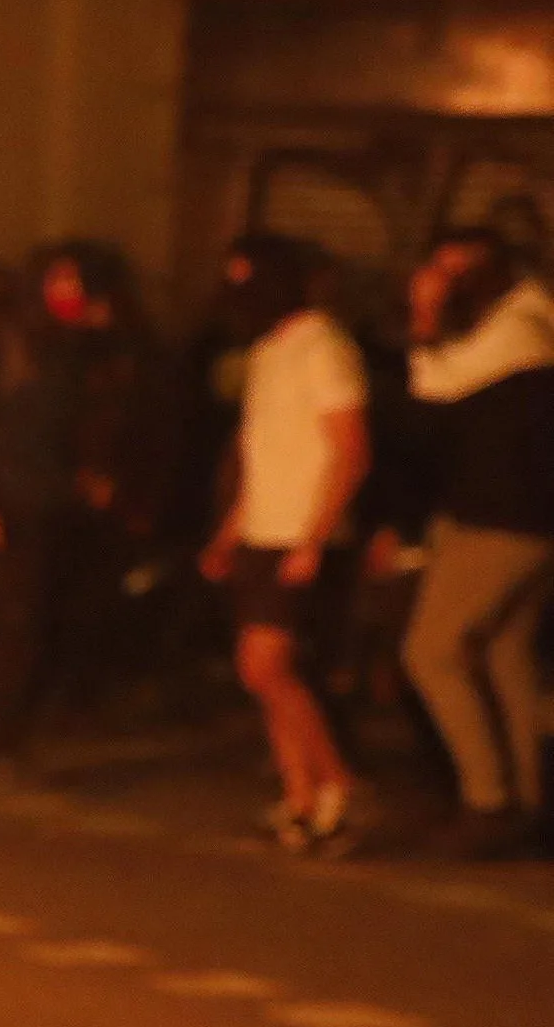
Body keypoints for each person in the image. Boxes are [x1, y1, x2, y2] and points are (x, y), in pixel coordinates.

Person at [0, 242, 157, 769]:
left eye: (76, 281)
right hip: (14, 504)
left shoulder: (87, 348)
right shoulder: (1, 346)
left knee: (58, 617)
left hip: (69, 507)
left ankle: (38, 719)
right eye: (57, 280)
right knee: (16, 622)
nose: (68, 292)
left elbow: (101, 423)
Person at [202, 231, 372, 853]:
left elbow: (351, 451)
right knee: (264, 674)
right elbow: (262, 456)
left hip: (303, 536)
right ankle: (301, 798)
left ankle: (342, 785)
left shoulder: (323, 347)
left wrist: (316, 537)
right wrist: (228, 532)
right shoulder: (268, 352)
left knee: (268, 666)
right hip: (262, 532)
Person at [397, 228, 554, 854]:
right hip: (523, 519)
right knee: (502, 654)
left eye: (456, 273)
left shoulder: (521, 330)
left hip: (499, 519)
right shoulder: (530, 323)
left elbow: (435, 386)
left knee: (431, 651)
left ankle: (488, 801)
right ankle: (525, 802)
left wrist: (425, 313)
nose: (446, 283)